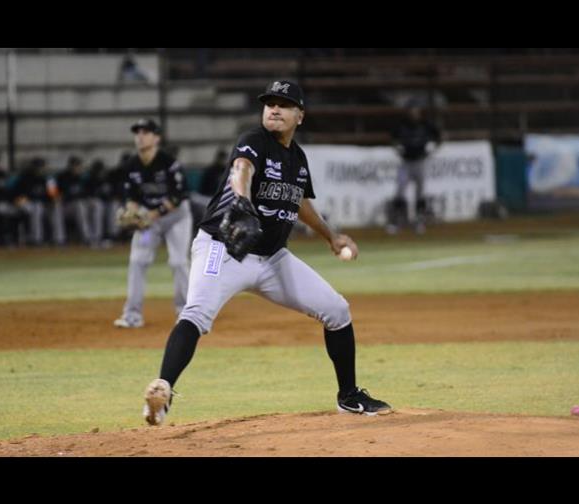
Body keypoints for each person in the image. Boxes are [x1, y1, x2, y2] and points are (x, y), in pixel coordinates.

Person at [140, 80, 392, 427]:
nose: (274, 108)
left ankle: (348, 397)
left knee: (337, 310)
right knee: (196, 313)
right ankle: (163, 388)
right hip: (223, 248)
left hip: (273, 259)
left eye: (284, 104)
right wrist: (242, 199)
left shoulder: (298, 158)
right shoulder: (253, 140)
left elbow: (301, 203)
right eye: (270, 103)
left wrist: (331, 237)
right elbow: (241, 170)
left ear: (299, 116)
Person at [114, 118, 193, 329]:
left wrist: (152, 214)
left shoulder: (169, 162)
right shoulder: (131, 165)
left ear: (156, 137)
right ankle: (132, 315)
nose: (140, 136)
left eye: (146, 132)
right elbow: (130, 196)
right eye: (137, 132)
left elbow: (179, 195)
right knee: (138, 260)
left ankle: (186, 314)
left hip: (176, 219)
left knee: (178, 262)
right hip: (150, 224)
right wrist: (132, 211)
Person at [388, 102, 442, 234]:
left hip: (420, 161)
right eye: (412, 111)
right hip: (405, 163)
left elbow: (438, 137)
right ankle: (397, 222)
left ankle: (419, 221)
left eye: (416, 111)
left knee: (420, 193)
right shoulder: (402, 124)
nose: (414, 114)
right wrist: (397, 147)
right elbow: (392, 138)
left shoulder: (425, 124)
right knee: (400, 191)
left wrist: (433, 147)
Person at [51, 155, 101, 247]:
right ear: (71, 166)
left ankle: (97, 236)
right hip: (66, 206)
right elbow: (54, 192)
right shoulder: (62, 177)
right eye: (76, 166)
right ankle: (63, 239)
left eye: (79, 166)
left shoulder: (82, 178)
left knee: (96, 204)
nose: (78, 168)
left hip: (81, 205)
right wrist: (56, 196)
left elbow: (87, 194)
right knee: (77, 206)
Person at [12, 157, 56, 246]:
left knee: (55, 207)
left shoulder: (49, 180)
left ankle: (58, 239)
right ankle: (37, 239)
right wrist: (21, 200)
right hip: (25, 203)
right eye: (38, 167)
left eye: (42, 167)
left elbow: (54, 196)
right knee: (37, 207)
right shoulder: (25, 178)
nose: (41, 169)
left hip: (41, 204)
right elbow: (17, 195)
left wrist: (53, 201)